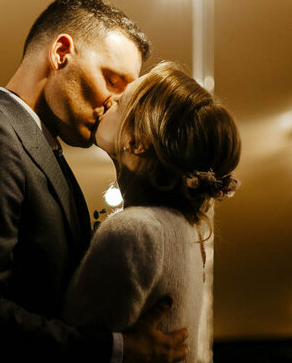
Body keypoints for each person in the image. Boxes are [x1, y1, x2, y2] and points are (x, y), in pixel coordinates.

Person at [0, 0, 189, 362]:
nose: (115, 104)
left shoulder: (40, 152)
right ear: (61, 52)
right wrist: (117, 349)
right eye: (111, 80)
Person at [63, 61, 242, 363]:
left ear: (139, 141)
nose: (109, 99)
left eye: (120, 103)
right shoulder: (186, 234)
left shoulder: (133, 232)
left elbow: (73, 345)